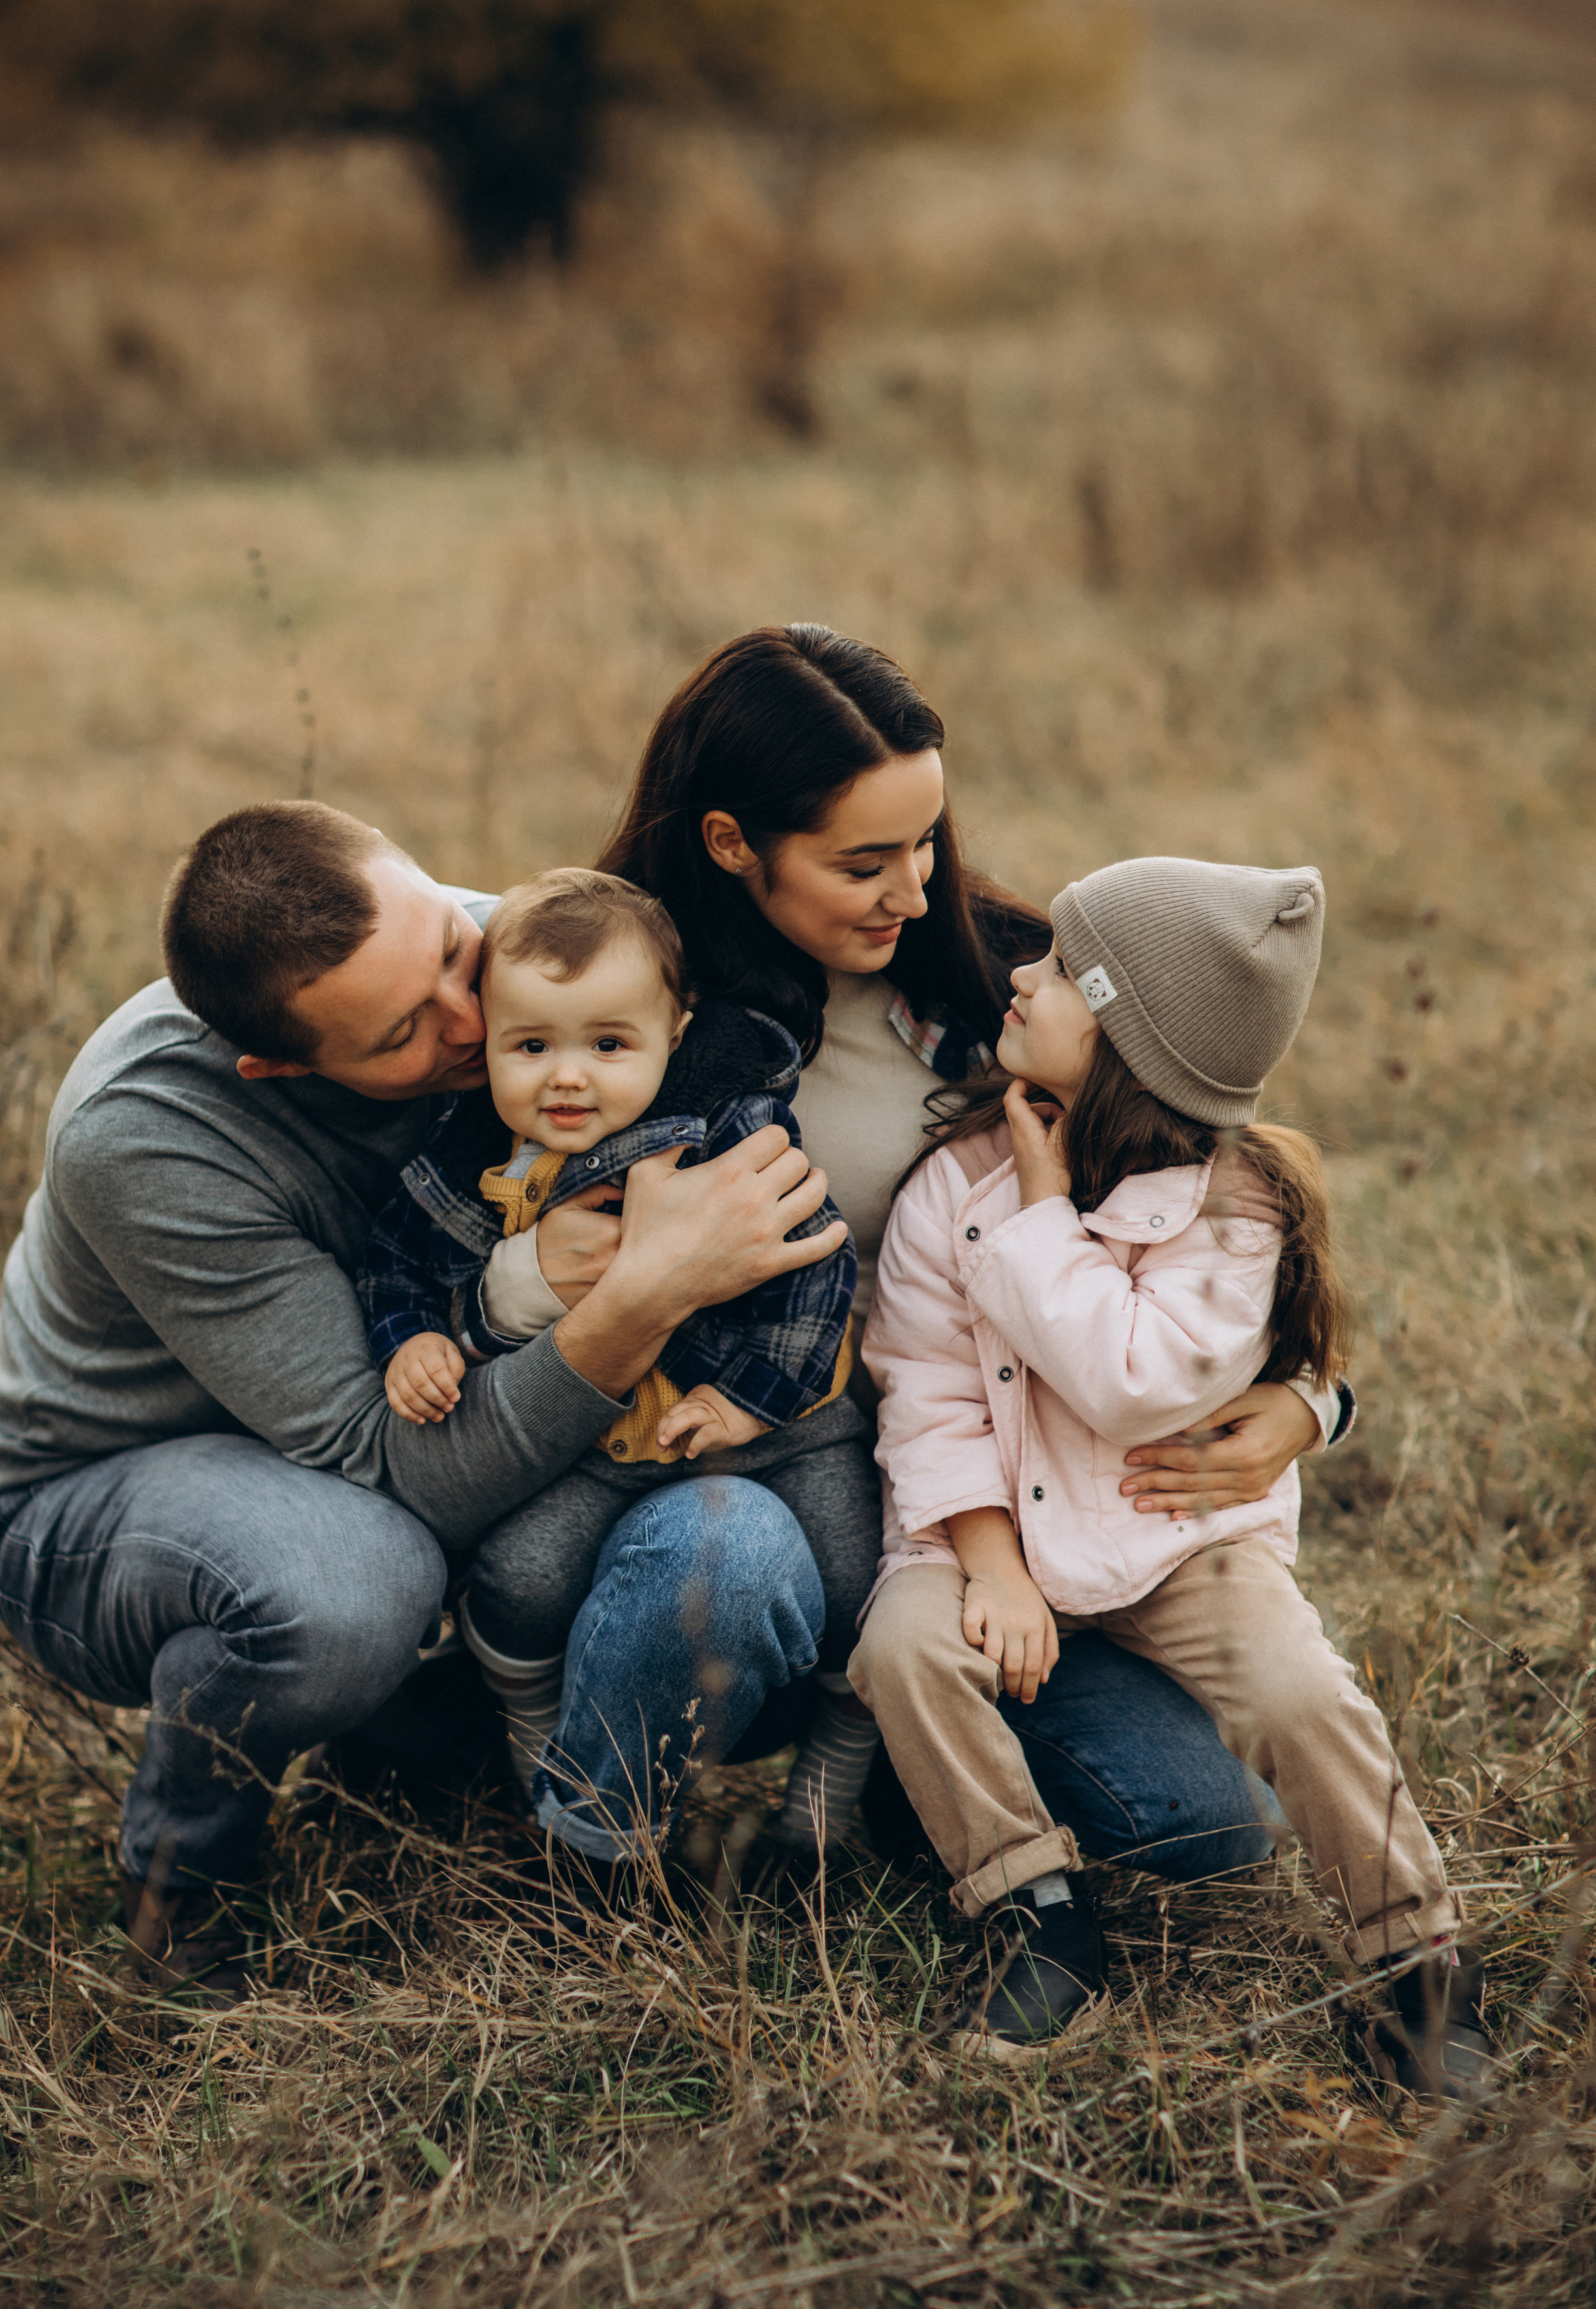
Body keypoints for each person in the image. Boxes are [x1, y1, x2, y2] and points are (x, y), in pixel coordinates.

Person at [507, 625, 1352, 1881]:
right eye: (864, 861)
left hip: (953, 1504)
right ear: (733, 845)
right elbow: (475, 1195)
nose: (912, 891)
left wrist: (1313, 1401)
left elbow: (1213, 1202)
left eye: (927, 842)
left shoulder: (999, 985)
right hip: (685, 1483)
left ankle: (884, 1790)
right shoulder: (618, 1001)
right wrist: (537, 1277)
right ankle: (578, 1816)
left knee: (1205, 1830)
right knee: (717, 1558)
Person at [0, 800, 850, 1996]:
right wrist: (641, 1292)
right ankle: (182, 1879)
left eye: (448, 946)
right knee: (354, 1583)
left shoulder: (513, 962)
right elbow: (397, 1466)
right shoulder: (148, 1138)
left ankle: (420, 1738)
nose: (472, 1018)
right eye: (401, 1034)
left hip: (405, 1428)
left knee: (672, 1539)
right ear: (282, 1063)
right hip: (119, 1491)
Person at [850, 855, 1495, 2103]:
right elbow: (922, 1389)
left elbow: (1129, 1380)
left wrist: (1046, 1216)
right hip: (993, 1534)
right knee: (904, 1650)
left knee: (1303, 1694)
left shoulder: (1237, 1209)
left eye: (1055, 969)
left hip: (1178, 1539)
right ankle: (1034, 1910)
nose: (1019, 974)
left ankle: (1417, 1962)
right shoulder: (954, 1183)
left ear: (1131, 1036)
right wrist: (987, 1564)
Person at [355, 865, 869, 1833]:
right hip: (597, 1437)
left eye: (607, 1044)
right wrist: (416, 1334)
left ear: (673, 1033)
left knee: (856, 1575)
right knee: (520, 1578)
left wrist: (750, 1401)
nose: (567, 1075)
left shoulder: (728, 1122)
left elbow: (815, 1269)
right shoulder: (478, 1151)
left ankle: (839, 1769)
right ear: (488, 1040)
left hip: (778, 1422)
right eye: (532, 1044)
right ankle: (536, 1727)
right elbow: (396, 1260)